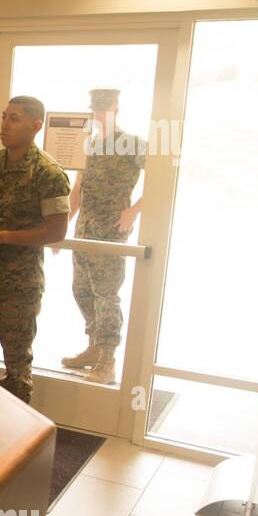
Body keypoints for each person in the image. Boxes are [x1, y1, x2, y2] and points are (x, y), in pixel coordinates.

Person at [0, 96, 70, 403]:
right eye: (4, 117)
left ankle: (17, 439)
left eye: (14, 118)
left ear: (36, 126)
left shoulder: (49, 173)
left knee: (16, 365)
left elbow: (57, 230)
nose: (5, 125)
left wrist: (3, 237)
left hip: (17, 284)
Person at [61, 88, 148, 384]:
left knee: (106, 297)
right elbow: (77, 189)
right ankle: (94, 348)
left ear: (116, 108)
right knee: (81, 290)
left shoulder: (132, 144)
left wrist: (134, 210)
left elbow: (164, 179)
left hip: (111, 230)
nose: (98, 113)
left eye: (103, 107)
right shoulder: (90, 144)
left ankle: (107, 362)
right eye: (94, 108)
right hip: (84, 230)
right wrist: (64, 225)